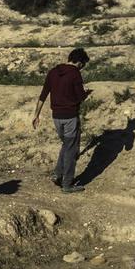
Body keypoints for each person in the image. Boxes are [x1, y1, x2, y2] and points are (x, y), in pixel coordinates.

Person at [31, 48, 92, 193]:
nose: (82, 67)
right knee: (71, 150)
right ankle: (67, 184)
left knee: (66, 145)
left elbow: (43, 94)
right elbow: (79, 97)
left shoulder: (53, 72)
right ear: (80, 62)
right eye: (83, 64)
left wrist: (36, 115)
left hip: (56, 117)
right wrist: (86, 93)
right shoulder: (75, 74)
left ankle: (57, 174)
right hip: (70, 116)